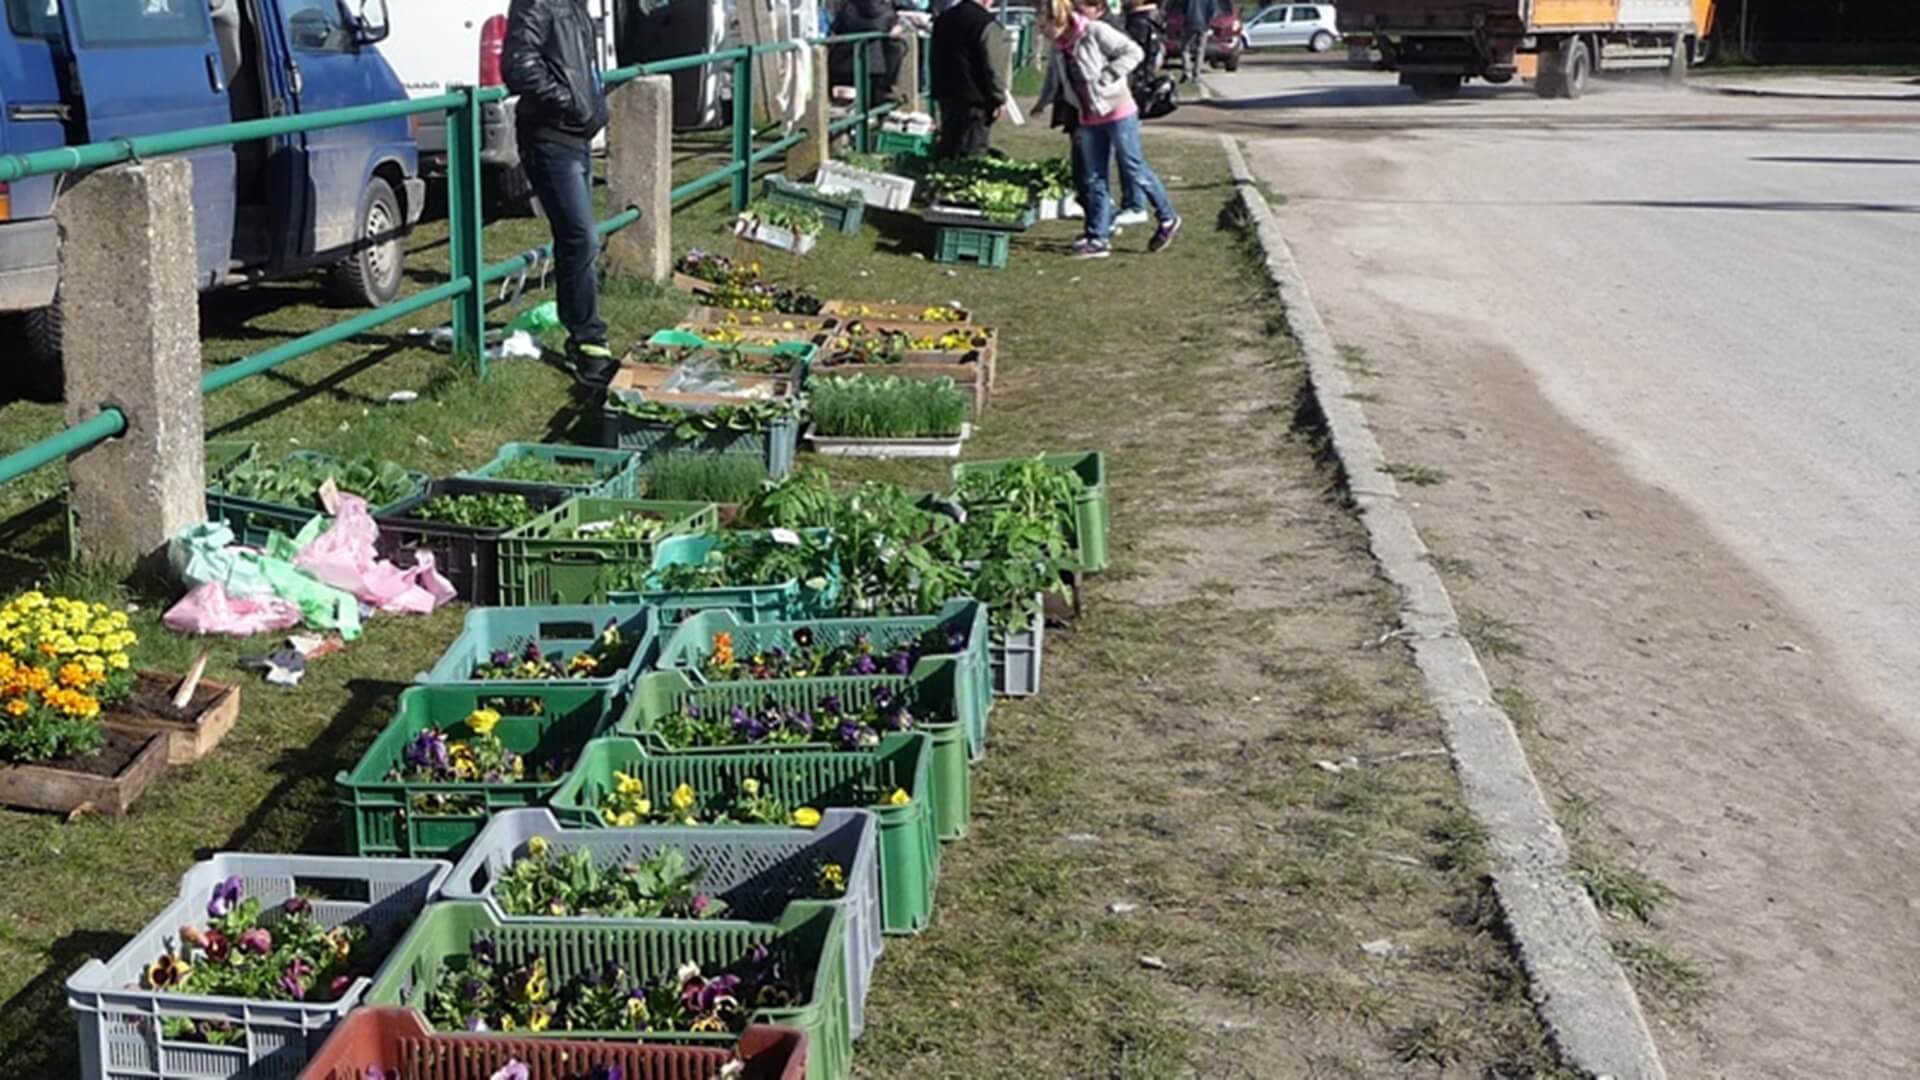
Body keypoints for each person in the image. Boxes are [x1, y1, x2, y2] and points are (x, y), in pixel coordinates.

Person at [505, 0, 613, 383]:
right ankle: (588, 340)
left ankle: (583, 337)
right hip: (550, 136)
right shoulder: (538, 3)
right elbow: (518, 66)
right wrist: (569, 103)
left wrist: (590, 106)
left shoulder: (576, 6)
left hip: (574, 136)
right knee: (581, 237)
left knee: (575, 239)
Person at [1048, 0, 1180, 257]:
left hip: (1118, 111)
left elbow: (1133, 53)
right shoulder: (1060, 45)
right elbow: (1062, 79)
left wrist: (1107, 77)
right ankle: (1098, 237)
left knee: (1134, 166)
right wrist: (1046, 102)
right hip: (1088, 115)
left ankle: (1167, 216)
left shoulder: (1096, 31)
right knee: (1094, 176)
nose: (1040, 29)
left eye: (1044, 23)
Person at [929, 0, 1009, 160]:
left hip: (946, 94)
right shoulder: (986, 23)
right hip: (976, 99)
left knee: (949, 146)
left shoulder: (943, 18)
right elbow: (993, 66)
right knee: (972, 150)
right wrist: (999, 97)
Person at [829, 0, 906, 106]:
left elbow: (835, 29)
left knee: (843, 109)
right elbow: (894, 40)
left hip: (843, 65)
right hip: (878, 67)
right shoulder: (887, 13)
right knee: (875, 109)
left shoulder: (847, 8)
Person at [1179, 0, 1208, 81]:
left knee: (1185, 48)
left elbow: (1183, 8)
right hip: (1203, 24)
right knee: (1200, 50)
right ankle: (1197, 74)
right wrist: (1207, 22)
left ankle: (1187, 71)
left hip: (1190, 23)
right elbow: (1212, 10)